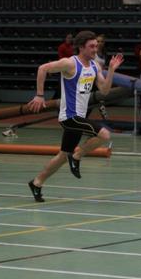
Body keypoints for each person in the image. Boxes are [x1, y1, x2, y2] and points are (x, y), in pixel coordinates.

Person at [27, 30, 124, 201]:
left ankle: (37, 182)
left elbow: (104, 90)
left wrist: (111, 70)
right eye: (91, 46)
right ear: (81, 47)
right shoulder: (70, 63)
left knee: (63, 155)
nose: (95, 49)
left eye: (96, 46)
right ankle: (77, 156)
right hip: (69, 116)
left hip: (79, 117)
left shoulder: (95, 66)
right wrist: (40, 95)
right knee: (104, 134)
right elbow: (43, 69)